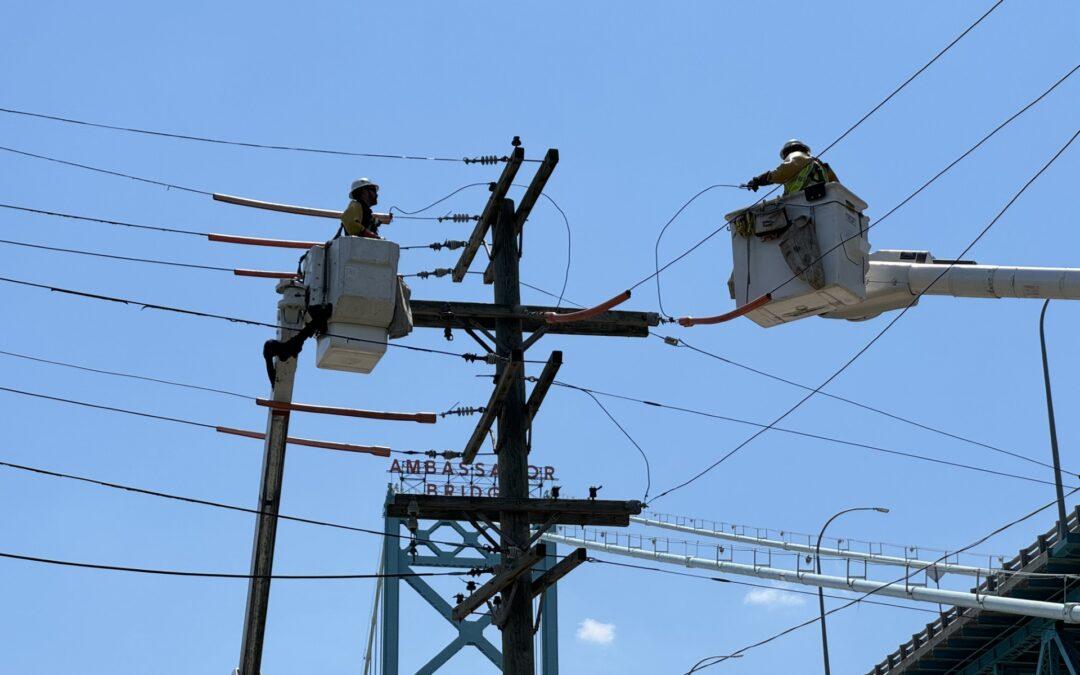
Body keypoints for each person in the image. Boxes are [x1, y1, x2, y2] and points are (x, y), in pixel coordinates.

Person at [745, 140, 838, 196]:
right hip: (825, 200)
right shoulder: (822, 165)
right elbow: (837, 187)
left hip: (806, 201)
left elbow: (781, 173)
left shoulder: (797, 156)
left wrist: (758, 180)